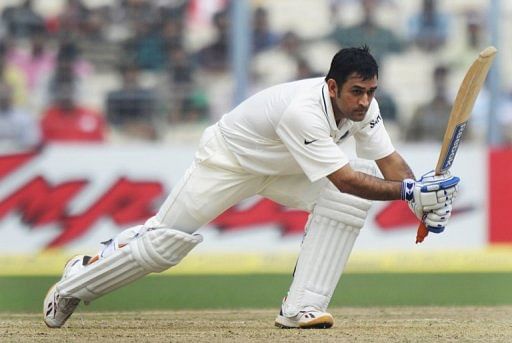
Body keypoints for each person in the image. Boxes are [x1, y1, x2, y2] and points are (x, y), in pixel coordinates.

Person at [43, 46, 459, 329]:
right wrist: (410, 194)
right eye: (356, 92)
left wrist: (420, 197)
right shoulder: (304, 111)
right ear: (332, 86)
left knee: (346, 202)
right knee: (161, 246)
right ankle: (75, 282)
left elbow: (387, 161)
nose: (365, 101)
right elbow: (346, 178)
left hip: (283, 168)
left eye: (370, 92)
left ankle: (301, 307)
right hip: (229, 161)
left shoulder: (363, 108)